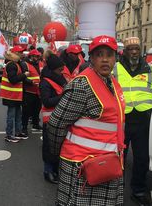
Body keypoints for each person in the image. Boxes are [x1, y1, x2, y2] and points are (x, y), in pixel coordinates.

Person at [48, 35, 126, 205]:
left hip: (106, 163)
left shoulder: (112, 82)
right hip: (81, 167)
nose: (105, 60)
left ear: (115, 58)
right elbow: (56, 123)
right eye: (99, 55)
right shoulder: (82, 86)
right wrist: (56, 155)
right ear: (91, 59)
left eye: (109, 54)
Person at [113, 36, 152, 205]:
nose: (134, 52)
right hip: (122, 120)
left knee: (142, 159)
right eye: (130, 49)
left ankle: (138, 191)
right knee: (118, 157)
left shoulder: (151, 69)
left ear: (140, 51)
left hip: (143, 121)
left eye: (137, 49)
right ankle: (116, 189)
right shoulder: (115, 68)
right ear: (125, 51)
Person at [39, 54, 67, 184]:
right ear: (53, 69)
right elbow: (47, 101)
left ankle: (55, 170)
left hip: (62, 119)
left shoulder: (60, 79)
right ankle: (48, 171)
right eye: (59, 70)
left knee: (58, 148)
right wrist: (63, 96)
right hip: (50, 120)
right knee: (49, 148)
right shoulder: (45, 82)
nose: (62, 72)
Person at [0, 46, 31, 143]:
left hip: (15, 95)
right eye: (20, 52)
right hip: (11, 95)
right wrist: (24, 75)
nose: (22, 54)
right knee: (12, 115)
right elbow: (13, 80)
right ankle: (9, 135)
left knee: (18, 114)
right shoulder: (11, 65)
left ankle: (18, 132)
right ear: (16, 53)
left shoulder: (15, 64)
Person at [22, 49, 43, 135]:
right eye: (36, 56)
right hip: (29, 91)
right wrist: (31, 82)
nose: (37, 58)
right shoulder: (25, 65)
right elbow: (23, 77)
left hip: (38, 91)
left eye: (38, 56)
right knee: (26, 111)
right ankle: (24, 127)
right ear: (31, 56)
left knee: (37, 109)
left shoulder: (40, 64)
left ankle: (35, 124)